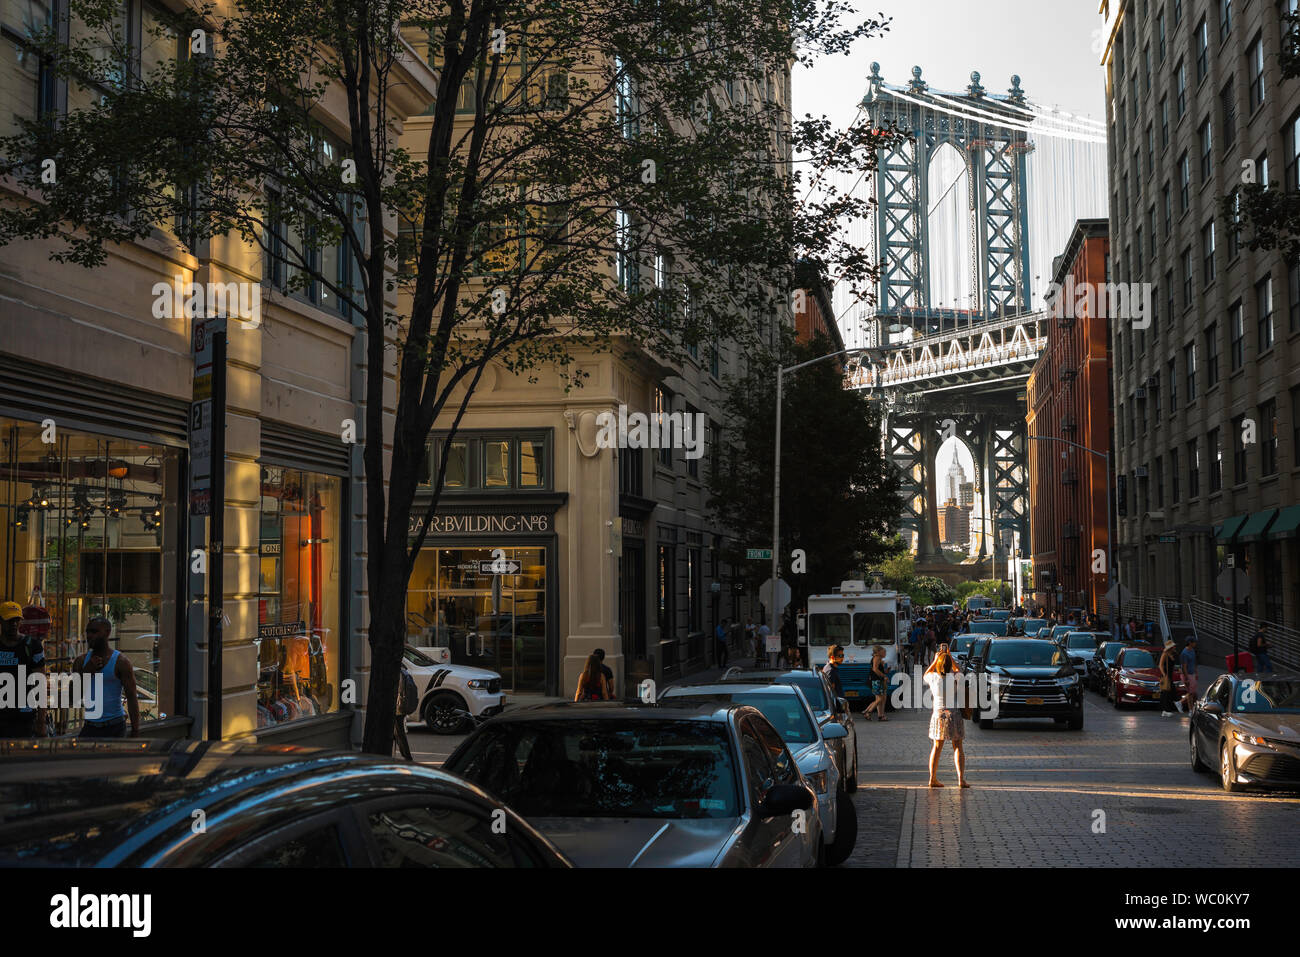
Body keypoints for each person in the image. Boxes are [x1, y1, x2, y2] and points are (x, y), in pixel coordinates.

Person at [73, 616, 140, 738]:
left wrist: (135, 730)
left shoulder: (121, 662)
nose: (89, 636)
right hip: (90, 726)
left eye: (94, 632)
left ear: (107, 633)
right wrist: (86, 672)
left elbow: (131, 696)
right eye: (87, 632)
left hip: (115, 726)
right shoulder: (80, 661)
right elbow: (73, 697)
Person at [924, 645, 969, 788]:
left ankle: (932, 778)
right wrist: (949, 655)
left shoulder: (933, 678)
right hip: (954, 714)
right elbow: (958, 670)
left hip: (938, 714)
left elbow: (926, 672)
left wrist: (935, 660)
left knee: (936, 747)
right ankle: (961, 780)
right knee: (958, 747)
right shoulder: (955, 677)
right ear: (950, 664)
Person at [0, 601, 45, 738]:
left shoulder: (32, 646)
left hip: (24, 717)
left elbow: (40, 684)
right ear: (1, 621)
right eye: (9, 620)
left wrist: (41, 720)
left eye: (16, 620)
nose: (13, 624)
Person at [393, 663, 416, 761]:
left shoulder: (396, 673)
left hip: (396, 708)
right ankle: (406, 756)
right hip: (401, 707)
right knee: (398, 733)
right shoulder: (404, 672)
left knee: (399, 733)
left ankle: (407, 757)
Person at [862, 645, 889, 722]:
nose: (885, 653)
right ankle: (868, 712)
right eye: (884, 652)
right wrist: (884, 676)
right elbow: (875, 669)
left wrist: (886, 671)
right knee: (880, 698)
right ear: (878, 652)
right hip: (876, 680)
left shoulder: (879, 659)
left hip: (879, 680)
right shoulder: (876, 658)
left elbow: (879, 670)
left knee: (881, 698)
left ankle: (880, 715)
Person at [1158, 638, 1178, 718]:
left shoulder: (1172, 654)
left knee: (1169, 692)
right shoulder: (1165, 654)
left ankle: (1167, 710)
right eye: (1173, 646)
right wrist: (1164, 674)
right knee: (1166, 693)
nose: (1174, 647)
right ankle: (1165, 710)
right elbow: (1160, 665)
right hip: (1165, 675)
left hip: (1170, 675)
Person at [1179, 638, 1199, 714]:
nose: (1195, 644)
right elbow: (1184, 667)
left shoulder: (1192, 651)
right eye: (1194, 642)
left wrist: (1196, 673)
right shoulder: (1184, 653)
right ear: (1190, 643)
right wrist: (1186, 678)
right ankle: (1190, 710)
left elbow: (1194, 663)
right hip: (1187, 675)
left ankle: (1180, 703)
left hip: (1192, 674)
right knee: (1191, 693)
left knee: (1193, 693)